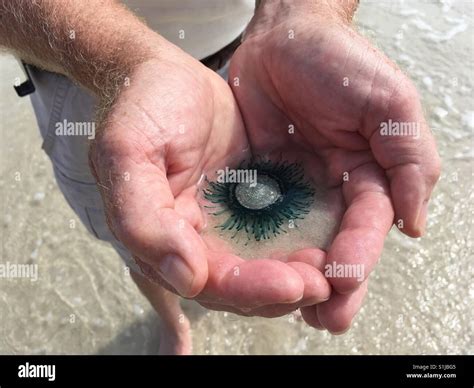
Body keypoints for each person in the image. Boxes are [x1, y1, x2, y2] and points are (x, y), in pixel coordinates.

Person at [0, 0, 440, 355]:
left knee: (182, 245)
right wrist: (128, 60)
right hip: (89, 74)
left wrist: (305, 13)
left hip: (259, 56)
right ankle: (171, 322)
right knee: (141, 238)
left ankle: (187, 300)